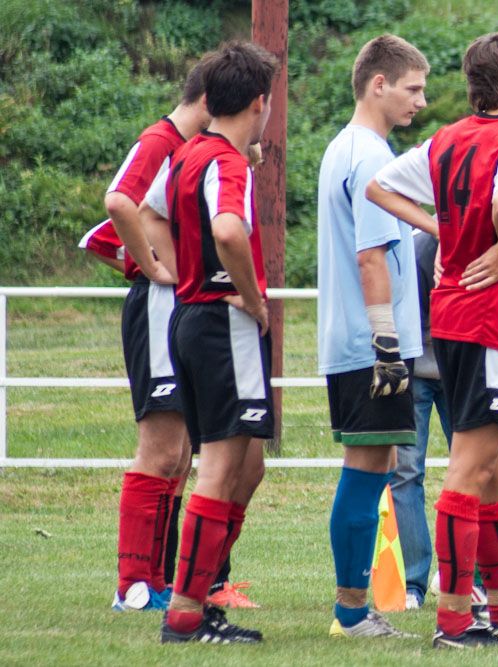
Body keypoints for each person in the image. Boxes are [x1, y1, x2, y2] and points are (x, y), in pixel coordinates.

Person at [368, 32, 498, 649]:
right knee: (473, 466)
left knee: (496, 465)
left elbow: (379, 185)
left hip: (450, 315)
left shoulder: (447, 138)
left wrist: (443, 231)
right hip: (490, 318)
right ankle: (455, 619)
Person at [143, 41, 278, 644]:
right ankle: (188, 613)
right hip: (223, 323)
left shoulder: (190, 152)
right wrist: (251, 296)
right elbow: (227, 229)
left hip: (190, 317)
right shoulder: (226, 162)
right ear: (259, 102)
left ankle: (201, 592)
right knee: (223, 468)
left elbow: (155, 218)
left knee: (247, 465)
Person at [316, 34, 429, 639]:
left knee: (374, 463)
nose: (421, 101)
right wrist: (387, 341)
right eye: (412, 88)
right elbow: (370, 256)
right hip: (370, 345)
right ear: (378, 84)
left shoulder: (346, 147)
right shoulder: (372, 157)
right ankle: (352, 612)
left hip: (353, 339)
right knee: (366, 467)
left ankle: (357, 607)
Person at [94, 59, 210, 612]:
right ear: (212, 99)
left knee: (181, 451)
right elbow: (118, 201)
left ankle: (157, 581)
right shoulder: (160, 139)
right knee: (161, 449)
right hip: (159, 306)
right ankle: (133, 587)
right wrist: (154, 264)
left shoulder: (189, 146)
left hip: (180, 307)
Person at [389, 228, 453, 611]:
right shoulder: (418, 248)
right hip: (418, 364)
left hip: (459, 365)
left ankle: (467, 573)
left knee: (482, 470)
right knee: (407, 470)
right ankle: (413, 580)